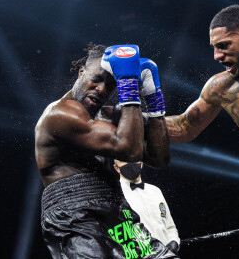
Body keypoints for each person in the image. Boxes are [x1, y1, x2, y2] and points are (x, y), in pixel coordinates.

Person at [35, 43, 176, 258]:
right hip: (77, 218)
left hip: (117, 209)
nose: (102, 89)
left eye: (111, 85)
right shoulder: (59, 114)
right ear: (82, 71)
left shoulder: (107, 115)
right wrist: (129, 85)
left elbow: (159, 158)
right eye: (96, 79)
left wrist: (153, 98)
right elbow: (128, 151)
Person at [165, 5, 239, 185]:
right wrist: (127, 116)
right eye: (214, 47)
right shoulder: (221, 87)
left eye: (224, 45)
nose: (217, 56)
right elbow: (185, 126)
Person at [114, 159, 180, 256]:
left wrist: (174, 241)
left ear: (141, 163)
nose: (129, 163)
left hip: (168, 255)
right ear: (116, 168)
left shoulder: (156, 191)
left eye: (132, 158)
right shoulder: (115, 195)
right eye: (124, 160)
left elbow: (170, 226)